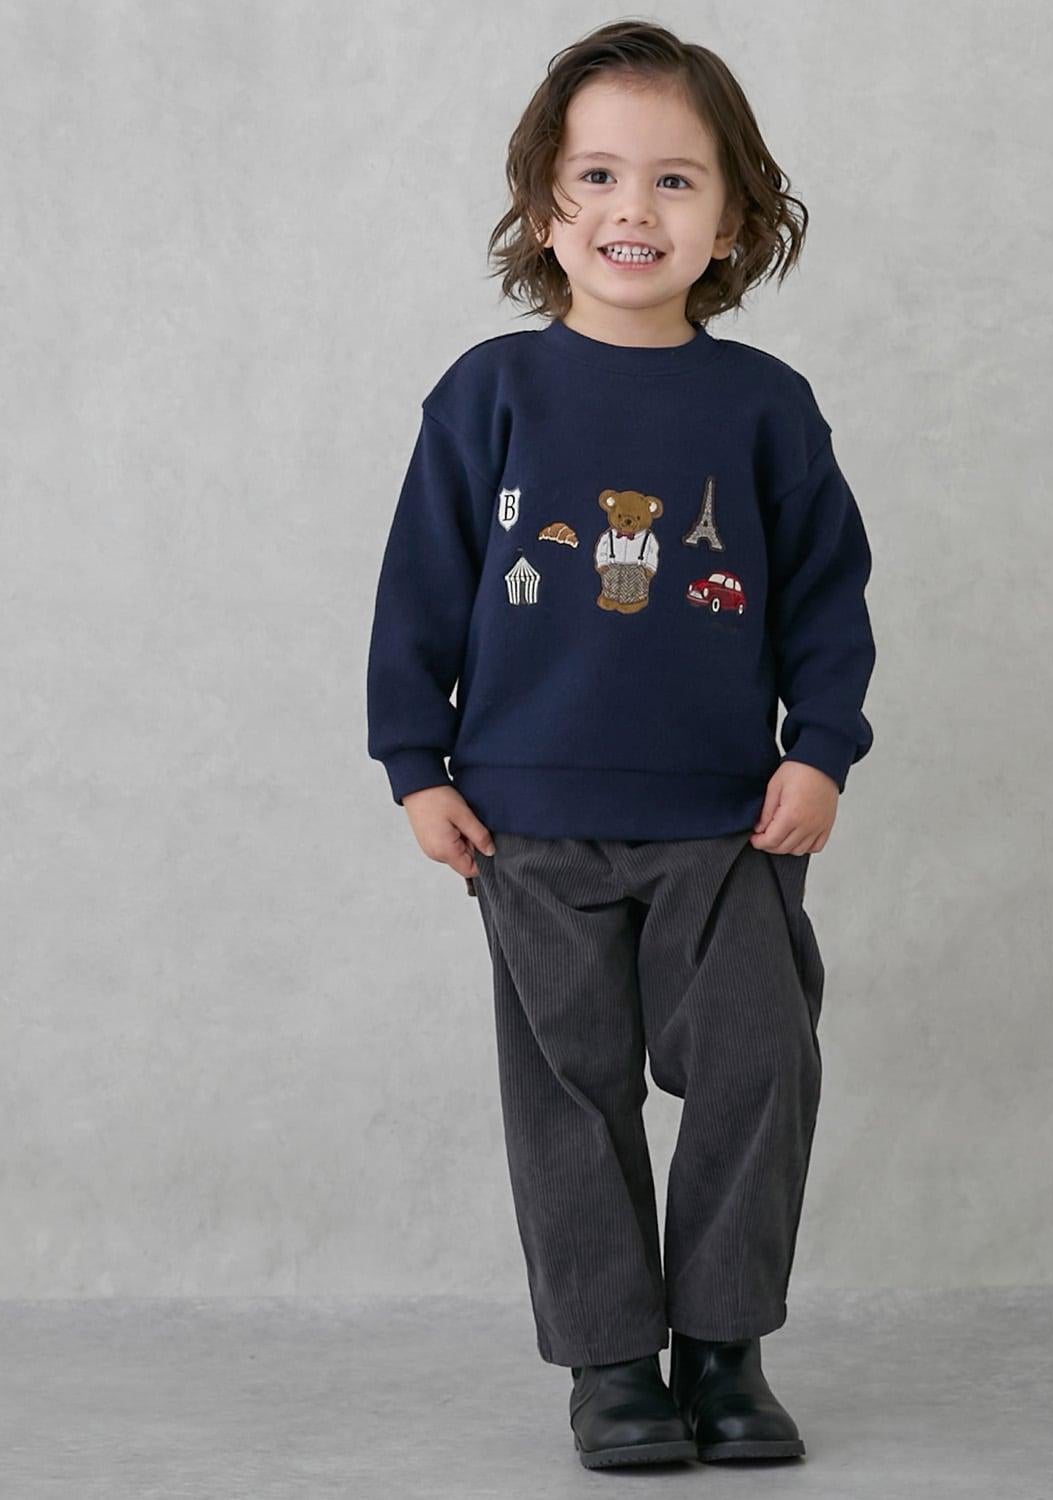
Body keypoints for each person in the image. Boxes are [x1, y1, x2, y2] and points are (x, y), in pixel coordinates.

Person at [365, 19, 877, 1471]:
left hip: (730, 820)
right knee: (568, 1094)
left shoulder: (764, 408)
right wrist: (415, 765)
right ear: (546, 207)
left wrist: (820, 749)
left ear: (733, 219)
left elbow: (828, 597)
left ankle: (724, 1347)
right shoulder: (490, 395)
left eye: (673, 179)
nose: (630, 209)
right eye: (596, 175)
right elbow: (419, 588)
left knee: (760, 1064)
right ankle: (611, 1368)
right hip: (526, 820)